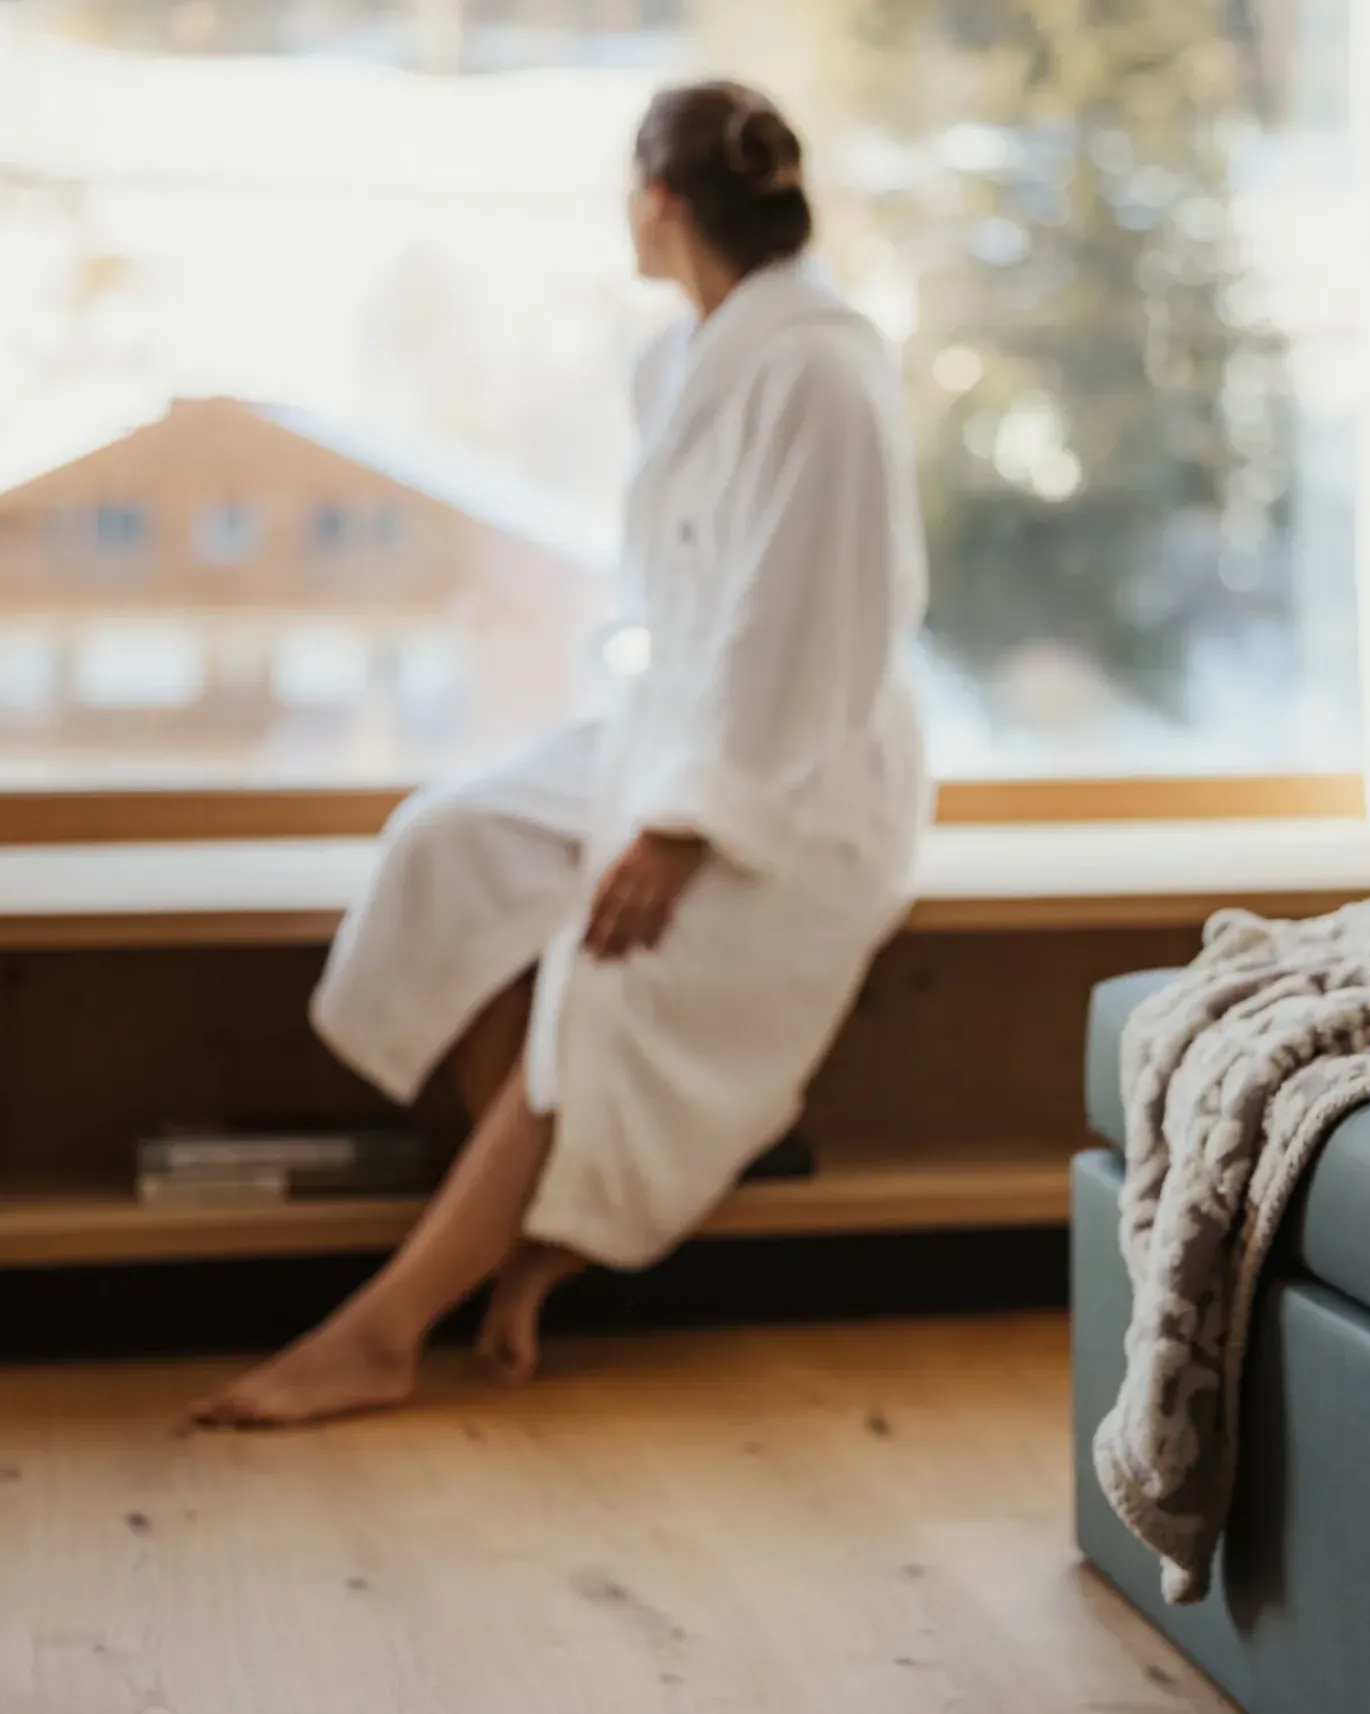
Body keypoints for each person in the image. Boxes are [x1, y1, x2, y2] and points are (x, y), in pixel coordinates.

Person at [194, 80, 930, 1428]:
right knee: (453, 843)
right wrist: (654, 774)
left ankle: (387, 1327)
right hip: (678, 731)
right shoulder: (680, 359)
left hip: (797, 775)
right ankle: (535, 1238)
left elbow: (807, 630)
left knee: (599, 974)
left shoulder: (824, 368)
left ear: (658, 202)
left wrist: (684, 828)